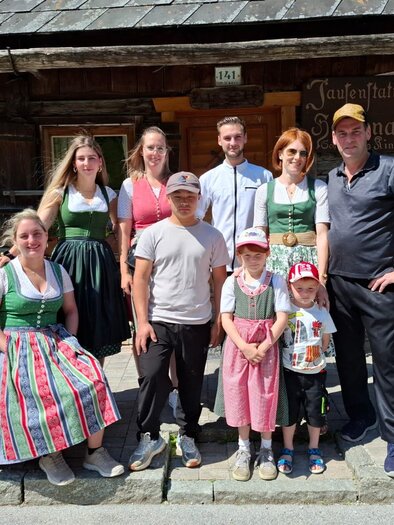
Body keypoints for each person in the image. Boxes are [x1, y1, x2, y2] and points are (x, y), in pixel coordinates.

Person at [0, 209, 124, 486]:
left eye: (37, 234)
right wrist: (6, 346)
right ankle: (51, 455)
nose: (31, 240)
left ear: (47, 238)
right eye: (24, 236)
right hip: (15, 341)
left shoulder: (58, 270)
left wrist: (70, 340)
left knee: (94, 377)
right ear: (15, 241)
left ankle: (95, 452)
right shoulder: (6, 274)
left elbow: (71, 309)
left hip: (55, 338)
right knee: (42, 388)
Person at [128, 172, 228, 472]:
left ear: (199, 199)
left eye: (190, 196)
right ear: (168, 199)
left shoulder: (212, 236)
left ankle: (187, 434)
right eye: (178, 196)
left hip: (196, 320)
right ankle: (149, 435)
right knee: (152, 375)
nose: (184, 202)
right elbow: (141, 279)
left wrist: (218, 320)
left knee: (191, 381)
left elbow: (220, 281)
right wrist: (142, 322)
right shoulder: (153, 233)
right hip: (158, 319)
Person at [327, 103, 394, 477]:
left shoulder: (388, 169)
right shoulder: (332, 176)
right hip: (339, 285)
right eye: (342, 133)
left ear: (369, 133)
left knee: (387, 363)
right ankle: (361, 417)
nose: (349, 138)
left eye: (356, 131)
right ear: (334, 139)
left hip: (379, 285)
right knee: (349, 359)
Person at [35, 135, 129, 364]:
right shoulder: (61, 192)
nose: (86, 163)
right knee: (67, 311)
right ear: (74, 163)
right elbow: (38, 227)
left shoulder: (109, 194)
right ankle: (68, 373)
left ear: (100, 162)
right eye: (81, 159)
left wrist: (127, 263)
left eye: (91, 158)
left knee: (97, 317)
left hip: (100, 263)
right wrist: (11, 254)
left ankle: (96, 380)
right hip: (68, 260)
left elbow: (120, 231)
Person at [117, 126, 179, 414]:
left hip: (171, 263)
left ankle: (175, 387)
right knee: (141, 322)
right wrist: (123, 270)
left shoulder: (176, 182)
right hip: (138, 261)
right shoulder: (130, 185)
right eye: (150, 147)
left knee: (172, 323)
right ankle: (148, 382)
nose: (155, 153)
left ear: (167, 151)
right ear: (141, 151)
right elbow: (124, 229)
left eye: (160, 147)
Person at [221, 227, 290, 482]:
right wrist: (244, 346)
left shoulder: (276, 281)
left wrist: (263, 347)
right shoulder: (232, 281)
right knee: (239, 393)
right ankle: (243, 448)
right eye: (247, 254)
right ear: (240, 255)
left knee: (264, 394)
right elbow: (226, 318)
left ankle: (267, 448)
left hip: (266, 348)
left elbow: (282, 316)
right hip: (239, 349)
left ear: (267, 254)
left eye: (258, 254)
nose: (253, 259)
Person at [278, 262, 336, 476]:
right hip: (290, 371)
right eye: (299, 288)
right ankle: (288, 448)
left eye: (310, 288)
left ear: (318, 288)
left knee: (315, 413)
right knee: (289, 412)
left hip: (315, 373)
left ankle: (314, 448)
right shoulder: (285, 310)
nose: (304, 293)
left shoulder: (321, 312)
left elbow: (326, 339)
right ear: (289, 286)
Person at [253, 127, 329, 287]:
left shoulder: (319, 188)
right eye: (291, 151)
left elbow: (322, 236)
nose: (297, 157)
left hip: (308, 261)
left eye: (303, 153)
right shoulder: (264, 190)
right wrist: (254, 271)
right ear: (280, 154)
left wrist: (322, 278)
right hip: (274, 261)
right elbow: (259, 235)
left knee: (307, 310)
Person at [197, 116, 273, 272]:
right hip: (220, 261)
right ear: (219, 140)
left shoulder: (264, 176)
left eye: (237, 137)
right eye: (227, 138)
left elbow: (272, 218)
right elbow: (197, 216)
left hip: (253, 260)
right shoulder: (208, 179)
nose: (232, 143)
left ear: (245, 138)